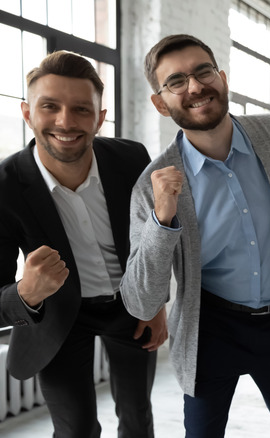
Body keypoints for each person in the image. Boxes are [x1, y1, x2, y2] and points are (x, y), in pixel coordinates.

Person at [119, 34, 270, 437]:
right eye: (176, 81)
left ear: (223, 78)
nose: (195, 86)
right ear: (160, 104)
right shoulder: (153, 186)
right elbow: (142, 301)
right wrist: (162, 221)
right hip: (210, 330)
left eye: (203, 72)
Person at [0, 51, 166, 438]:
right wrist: (26, 292)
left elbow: (153, 239)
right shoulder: (4, 187)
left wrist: (155, 301)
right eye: (49, 106)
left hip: (130, 305)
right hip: (59, 316)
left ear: (99, 117)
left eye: (81, 109)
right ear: (27, 113)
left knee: (137, 419)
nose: (65, 122)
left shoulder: (132, 158)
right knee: (75, 429)